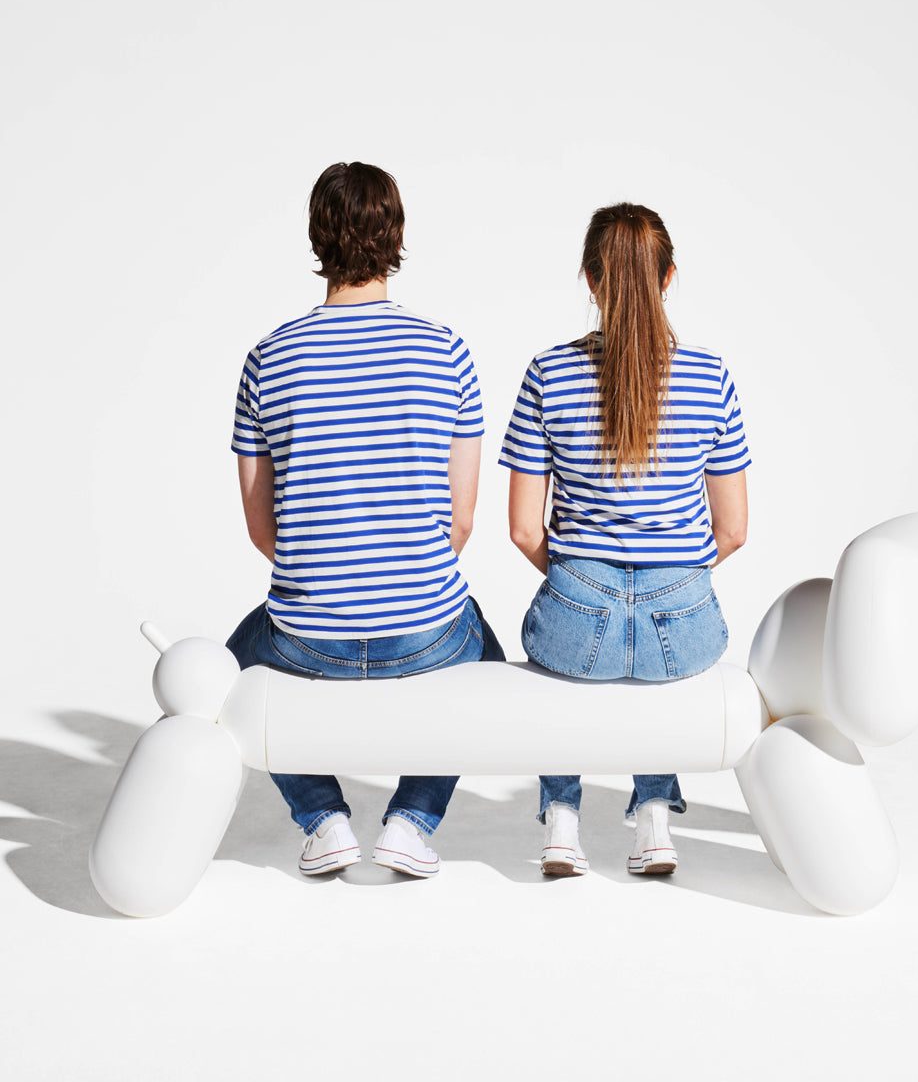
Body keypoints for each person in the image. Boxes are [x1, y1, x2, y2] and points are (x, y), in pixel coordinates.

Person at [226, 161, 504, 880]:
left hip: (306, 639)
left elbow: (261, 528)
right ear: (397, 235)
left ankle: (323, 820)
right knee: (490, 661)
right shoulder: (445, 350)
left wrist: (327, 577)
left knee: (221, 675)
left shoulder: (268, 358)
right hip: (426, 633)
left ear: (317, 235)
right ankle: (412, 821)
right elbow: (461, 521)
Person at [499, 202, 750, 877]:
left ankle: (562, 824)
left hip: (576, 608)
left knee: (559, 680)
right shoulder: (710, 376)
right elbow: (733, 530)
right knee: (655, 682)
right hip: (684, 618)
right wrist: (673, 576)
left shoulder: (548, 373)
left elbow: (523, 528)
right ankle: (655, 824)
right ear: (668, 277)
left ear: (590, 278)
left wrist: (581, 581)